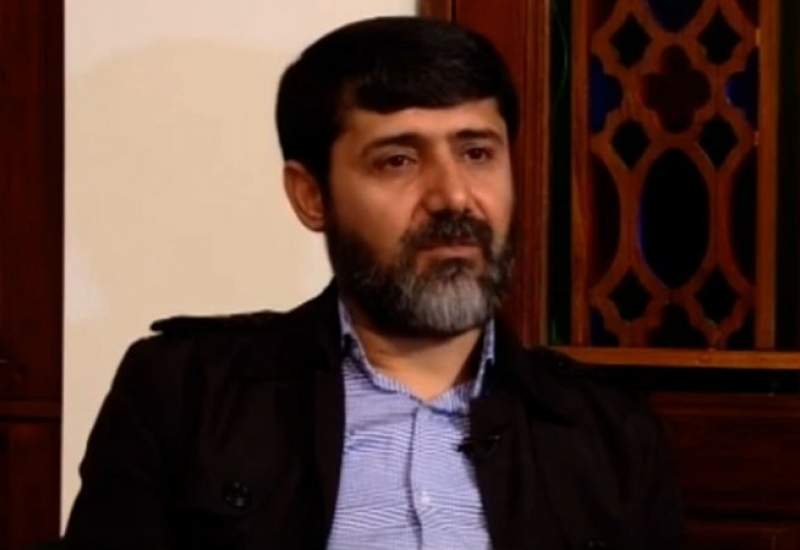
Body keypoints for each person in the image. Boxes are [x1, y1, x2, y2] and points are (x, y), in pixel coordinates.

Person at [64, 16, 683, 550]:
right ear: (312, 196)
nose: (452, 197)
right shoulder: (184, 396)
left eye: (477, 153)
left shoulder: (609, 432)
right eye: (398, 160)